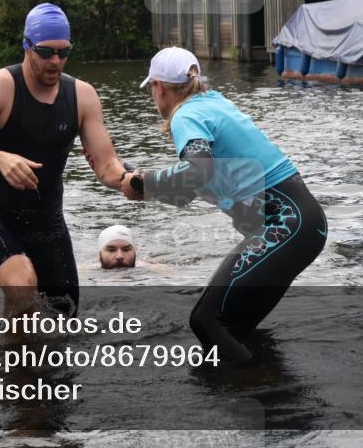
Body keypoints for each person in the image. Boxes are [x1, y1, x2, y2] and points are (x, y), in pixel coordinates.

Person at [121, 47, 328, 365]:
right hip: (302, 223)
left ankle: (251, 392)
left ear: (159, 87)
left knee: (207, 320)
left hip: (286, 224)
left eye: (152, 89)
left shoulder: (186, 115)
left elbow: (197, 170)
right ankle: (274, 399)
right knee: (234, 326)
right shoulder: (212, 102)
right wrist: (141, 180)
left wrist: (144, 183)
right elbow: (196, 185)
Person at [0, 3, 127, 318]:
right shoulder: (0, 87)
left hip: (48, 222)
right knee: (21, 283)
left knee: (64, 318)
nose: (55, 61)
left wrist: (131, 181)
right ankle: (14, 363)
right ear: (27, 47)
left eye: (63, 52)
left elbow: (107, 165)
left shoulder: (82, 96)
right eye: (45, 52)